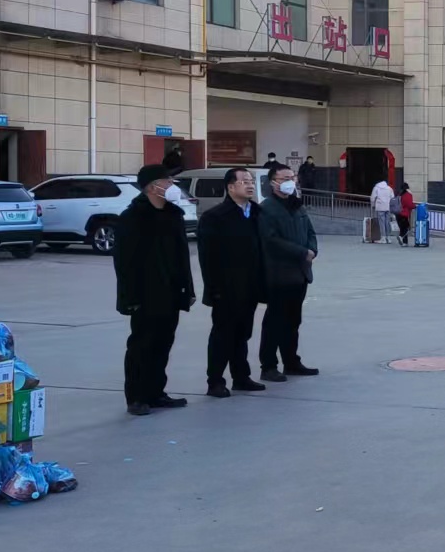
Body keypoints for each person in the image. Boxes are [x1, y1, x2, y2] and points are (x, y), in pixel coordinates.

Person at [114, 164, 195, 416]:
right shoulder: (132, 217)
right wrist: (129, 297)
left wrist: (188, 288)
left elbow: (182, 256)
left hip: (171, 292)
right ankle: (136, 397)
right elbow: (124, 263)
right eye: (167, 181)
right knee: (141, 345)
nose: (172, 186)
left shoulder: (173, 215)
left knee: (163, 343)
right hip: (145, 294)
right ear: (152, 187)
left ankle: (156, 392)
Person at [197, 167, 267, 400]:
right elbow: (207, 257)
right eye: (244, 181)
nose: (250, 185)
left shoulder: (257, 213)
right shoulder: (215, 217)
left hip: (250, 286)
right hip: (226, 288)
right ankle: (215, 381)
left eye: (251, 181)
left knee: (242, 333)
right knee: (222, 335)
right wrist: (214, 288)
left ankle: (241, 377)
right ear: (230, 187)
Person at [258, 165, 320, 383]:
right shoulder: (266, 209)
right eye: (285, 178)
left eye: (292, 177)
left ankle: (291, 362)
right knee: (275, 321)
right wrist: (302, 252)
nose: (290, 181)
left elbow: (310, 231)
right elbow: (271, 240)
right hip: (279, 273)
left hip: (300, 273)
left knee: (293, 321)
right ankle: (268, 366)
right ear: (273, 182)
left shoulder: (297, 206)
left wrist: (312, 249)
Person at [370, 177, 396, 243]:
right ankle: (388, 238)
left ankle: (383, 237)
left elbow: (373, 198)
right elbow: (392, 198)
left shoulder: (376, 188)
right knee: (387, 222)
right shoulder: (389, 188)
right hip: (388, 207)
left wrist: (373, 205)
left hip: (380, 207)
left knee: (382, 223)